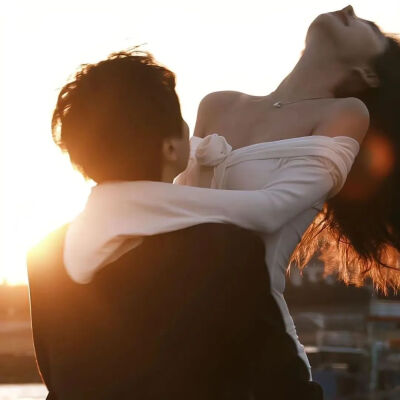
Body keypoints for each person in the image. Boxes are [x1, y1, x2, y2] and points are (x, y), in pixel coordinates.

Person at [65, 5, 400, 378]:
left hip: (257, 344)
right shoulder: (218, 103)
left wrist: (118, 203)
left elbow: (269, 210)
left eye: (370, 27)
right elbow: (172, 221)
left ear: (368, 73)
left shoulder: (345, 114)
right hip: (175, 329)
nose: (349, 8)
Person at [27, 51, 323, 399]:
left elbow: (60, 385)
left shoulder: (46, 256)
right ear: (170, 148)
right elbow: (282, 386)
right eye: (180, 119)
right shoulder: (223, 249)